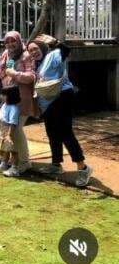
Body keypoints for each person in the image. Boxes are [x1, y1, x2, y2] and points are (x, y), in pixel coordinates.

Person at [27, 38, 93, 186]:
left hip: (62, 97)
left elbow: (66, 51)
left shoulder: (53, 55)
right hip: (48, 103)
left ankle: (83, 168)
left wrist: (57, 42)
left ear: (43, 47)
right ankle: (56, 165)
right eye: (30, 50)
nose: (33, 52)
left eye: (35, 49)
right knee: (52, 133)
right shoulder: (38, 64)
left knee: (65, 133)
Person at [0, 31, 36, 176]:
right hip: (8, 98)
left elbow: (31, 77)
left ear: (19, 41)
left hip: (21, 99)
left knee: (17, 131)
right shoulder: (6, 54)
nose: (10, 44)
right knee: (6, 130)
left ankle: (23, 163)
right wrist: (2, 66)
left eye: (13, 41)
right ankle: (5, 162)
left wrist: (14, 74)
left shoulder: (26, 56)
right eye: (7, 42)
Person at [0, 86, 22, 176]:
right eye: (2, 94)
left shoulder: (14, 108)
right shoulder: (5, 105)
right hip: (3, 129)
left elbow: (13, 123)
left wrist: (9, 135)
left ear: (11, 96)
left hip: (11, 131)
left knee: (13, 150)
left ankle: (15, 169)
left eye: (4, 95)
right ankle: (4, 164)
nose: (1, 96)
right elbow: (1, 116)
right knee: (4, 149)